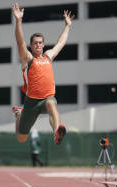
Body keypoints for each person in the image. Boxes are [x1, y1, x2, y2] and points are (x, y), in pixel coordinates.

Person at [12, 2, 74, 145]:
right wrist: (18, 21)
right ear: (31, 45)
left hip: (47, 98)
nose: (38, 45)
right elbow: (20, 43)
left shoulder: (48, 56)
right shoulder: (29, 58)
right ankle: (19, 115)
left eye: (40, 43)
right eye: (35, 43)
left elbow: (60, 43)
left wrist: (68, 26)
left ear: (43, 44)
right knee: (21, 139)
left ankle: (57, 131)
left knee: (52, 103)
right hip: (31, 102)